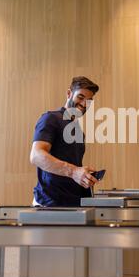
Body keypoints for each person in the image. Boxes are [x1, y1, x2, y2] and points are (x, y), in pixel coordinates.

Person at [29, 76, 100, 207]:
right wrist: (74, 171)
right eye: (80, 97)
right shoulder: (50, 118)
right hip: (49, 204)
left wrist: (84, 176)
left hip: (71, 203)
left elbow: (71, 168)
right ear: (69, 94)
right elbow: (36, 156)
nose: (84, 104)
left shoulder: (79, 131)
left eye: (89, 101)